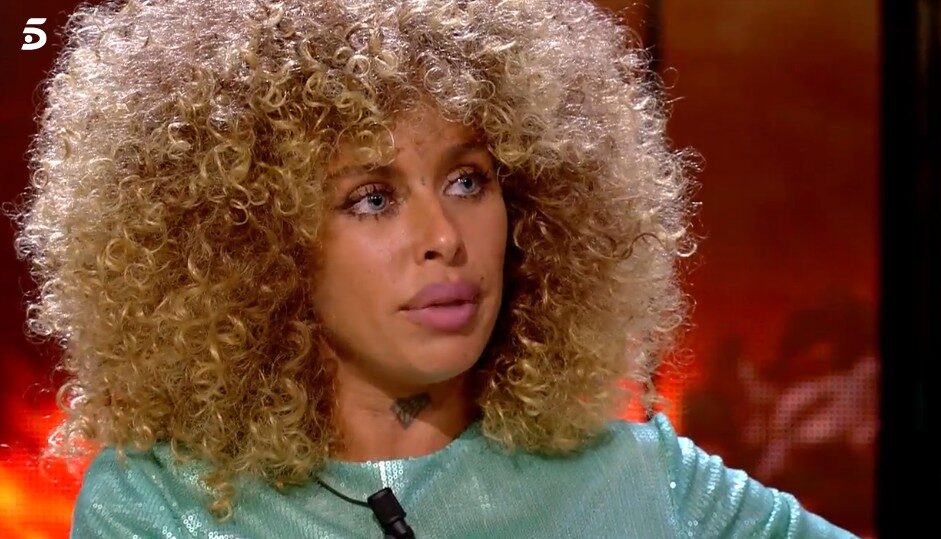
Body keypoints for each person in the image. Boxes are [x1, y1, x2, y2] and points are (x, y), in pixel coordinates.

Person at [11, 0, 859, 537]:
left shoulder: (647, 480)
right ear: (255, 243)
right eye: (372, 197)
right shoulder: (159, 505)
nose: (444, 237)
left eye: (467, 181)